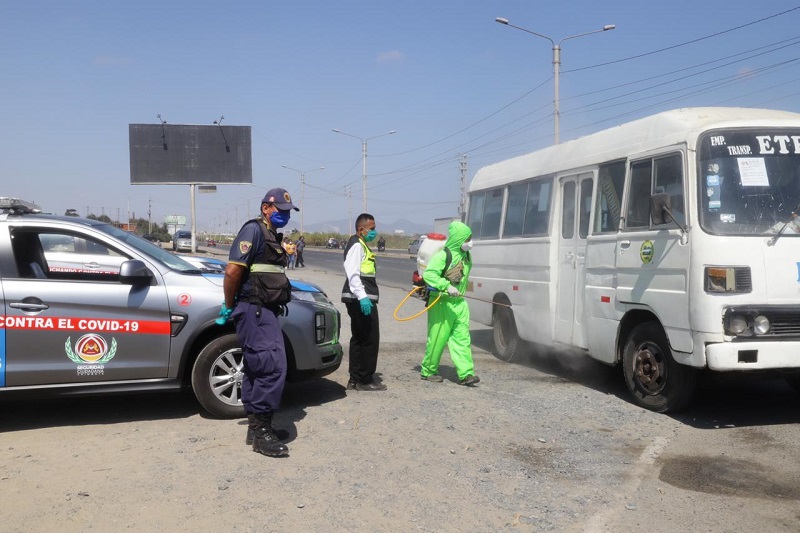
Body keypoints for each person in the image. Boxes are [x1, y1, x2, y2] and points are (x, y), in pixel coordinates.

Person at [220, 187, 298, 457]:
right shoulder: (253, 230)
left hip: (265, 309)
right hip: (253, 308)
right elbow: (232, 272)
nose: (285, 217)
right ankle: (262, 432)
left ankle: (256, 428)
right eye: (281, 211)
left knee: (256, 367)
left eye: (288, 213)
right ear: (266, 207)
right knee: (271, 366)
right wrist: (229, 305)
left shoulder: (272, 235)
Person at [419, 220, 480, 386]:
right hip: (441, 303)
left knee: (462, 339)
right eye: (467, 239)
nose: (470, 242)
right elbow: (429, 275)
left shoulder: (466, 256)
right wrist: (446, 286)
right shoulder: (443, 256)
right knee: (438, 338)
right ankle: (428, 370)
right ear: (459, 239)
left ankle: (466, 374)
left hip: (459, 303)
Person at [341, 213, 386, 391]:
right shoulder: (356, 245)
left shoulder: (361, 245)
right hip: (360, 299)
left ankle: (355, 379)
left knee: (359, 338)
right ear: (362, 229)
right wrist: (363, 297)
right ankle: (364, 379)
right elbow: (352, 274)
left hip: (359, 298)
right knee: (369, 338)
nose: (374, 231)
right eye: (372, 228)